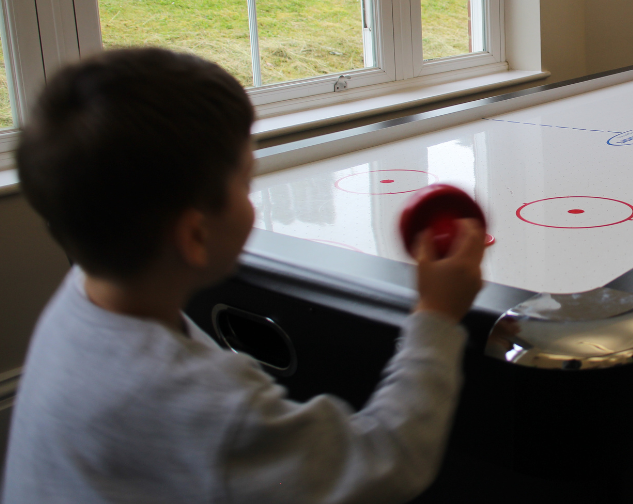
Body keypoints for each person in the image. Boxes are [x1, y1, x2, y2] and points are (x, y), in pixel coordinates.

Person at [2, 48, 486, 503]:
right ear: (195, 236)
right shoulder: (210, 409)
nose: (252, 198)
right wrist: (437, 316)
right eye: (246, 183)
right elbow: (384, 462)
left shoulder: (80, 301)